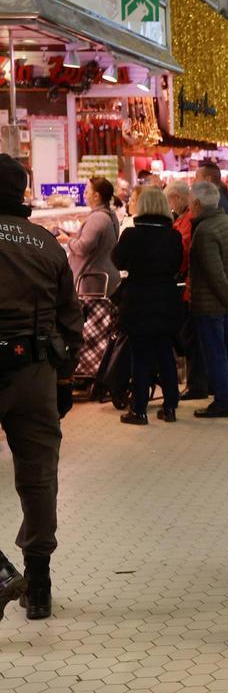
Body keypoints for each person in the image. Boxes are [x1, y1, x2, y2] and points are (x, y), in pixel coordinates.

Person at [0, 155, 83, 621]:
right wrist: (65, 377)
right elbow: (71, 319)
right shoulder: (46, 243)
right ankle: (39, 583)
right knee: (38, 477)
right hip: (33, 371)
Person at [112, 187, 183, 425]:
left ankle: (139, 410)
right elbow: (177, 265)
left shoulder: (131, 235)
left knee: (140, 357)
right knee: (166, 354)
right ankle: (170, 407)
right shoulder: (172, 236)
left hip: (137, 299)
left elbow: (118, 260)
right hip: (165, 296)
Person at [188, 181, 228, 418]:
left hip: (211, 304)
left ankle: (224, 401)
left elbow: (213, 273)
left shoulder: (205, 231)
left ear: (196, 203)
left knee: (216, 353)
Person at [167, 181, 208, 401]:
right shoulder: (188, 219)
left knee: (192, 338)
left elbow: (183, 253)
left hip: (190, 287)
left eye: (170, 201)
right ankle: (202, 382)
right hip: (192, 285)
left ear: (178, 198)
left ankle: (197, 384)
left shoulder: (188, 221)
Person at [63, 177, 121, 297]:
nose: (84, 195)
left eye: (87, 191)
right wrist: (73, 235)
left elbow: (83, 247)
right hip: (103, 278)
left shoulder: (97, 218)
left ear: (96, 196)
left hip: (93, 283)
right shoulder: (109, 215)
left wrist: (67, 240)